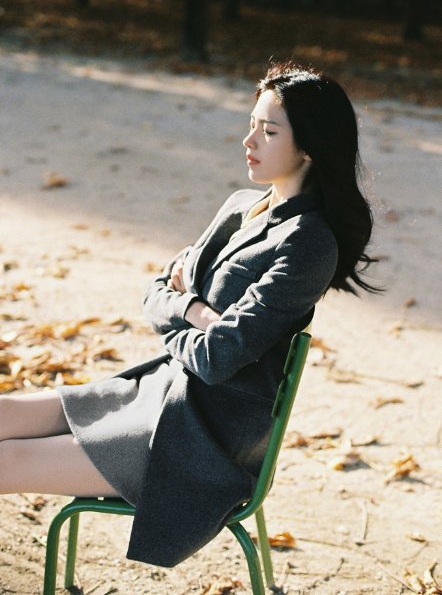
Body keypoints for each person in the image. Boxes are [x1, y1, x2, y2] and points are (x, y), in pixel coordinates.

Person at [0, 62, 377, 567]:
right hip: (157, 390)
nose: (249, 140)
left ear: (310, 145)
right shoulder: (241, 206)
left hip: (196, 437)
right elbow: (156, 292)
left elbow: (216, 360)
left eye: (268, 131)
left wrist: (185, 319)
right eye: (251, 124)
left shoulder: (309, 244)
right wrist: (196, 311)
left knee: (6, 460)